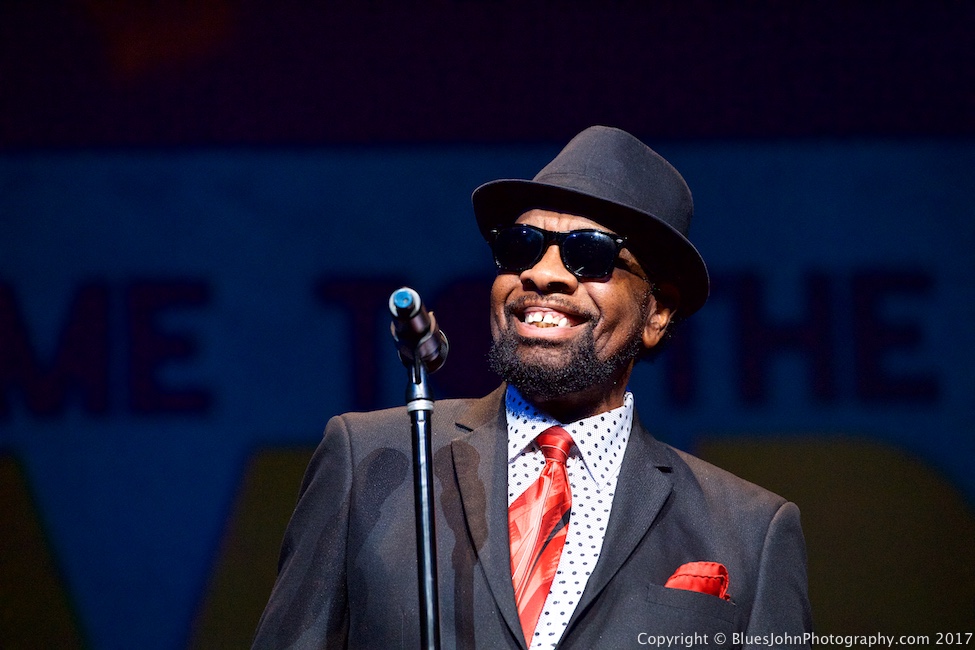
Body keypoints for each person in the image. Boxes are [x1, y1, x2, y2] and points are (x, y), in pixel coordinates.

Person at [252, 126, 813, 649]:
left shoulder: (749, 531)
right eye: (521, 245)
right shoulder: (374, 460)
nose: (542, 273)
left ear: (657, 312)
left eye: (590, 252)